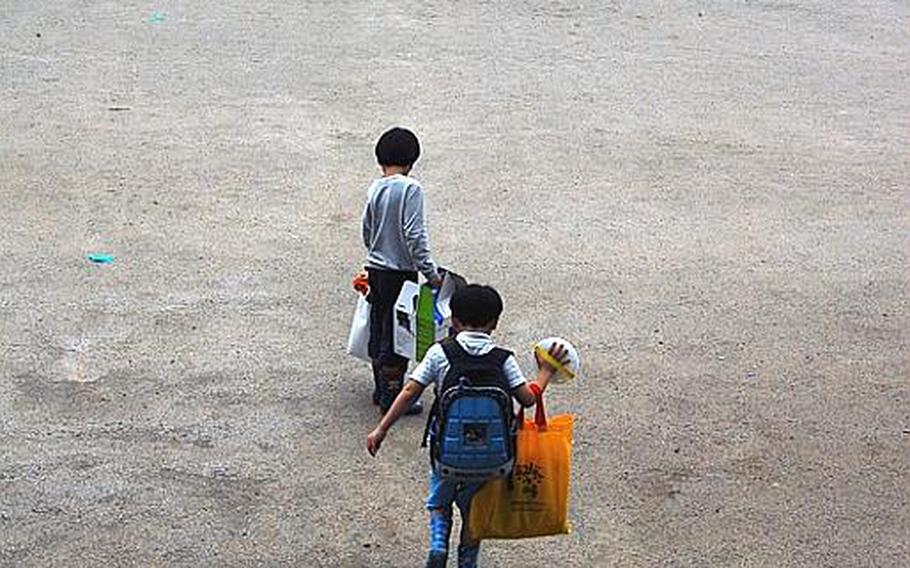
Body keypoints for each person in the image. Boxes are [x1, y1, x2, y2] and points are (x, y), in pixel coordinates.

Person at [367, 284, 567, 567]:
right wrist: (545, 372)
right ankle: (468, 561)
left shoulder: (440, 352)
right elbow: (527, 399)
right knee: (476, 511)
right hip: (492, 461)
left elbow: (410, 391)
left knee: (439, 501)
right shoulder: (503, 359)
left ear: (455, 320)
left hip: (447, 456)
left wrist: (382, 429)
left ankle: (438, 542)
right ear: (495, 322)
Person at [361, 127, 442, 414]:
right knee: (399, 334)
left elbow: (367, 228)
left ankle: (379, 387)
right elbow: (414, 235)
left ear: (380, 159)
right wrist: (430, 273)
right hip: (400, 271)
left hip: (376, 268)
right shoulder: (411, 188)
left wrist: (373, 252)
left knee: (379, 326)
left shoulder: (375, 188)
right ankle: (393, 396)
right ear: (411, 161)